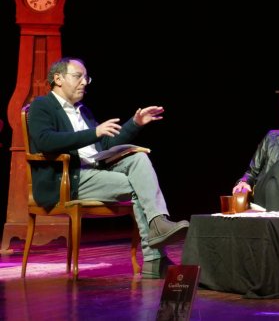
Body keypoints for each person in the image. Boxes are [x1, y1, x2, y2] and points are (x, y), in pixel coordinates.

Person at [27, 57, 189, 278]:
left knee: (138, 158)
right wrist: (93, 133)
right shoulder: (42, 106)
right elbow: (45, 141)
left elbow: (105, 145)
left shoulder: (83, 111)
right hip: (67, 177)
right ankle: (154, 260)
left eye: (86, 78)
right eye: (78, 77)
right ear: (58, 78)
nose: (84, 82)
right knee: (138, 187)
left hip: (95, 171)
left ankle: (158, 221)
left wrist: (134, 124)